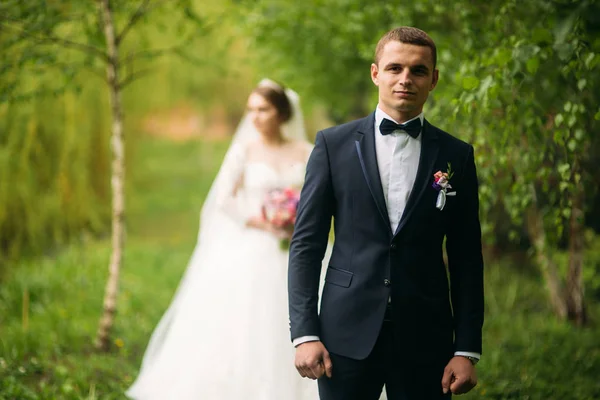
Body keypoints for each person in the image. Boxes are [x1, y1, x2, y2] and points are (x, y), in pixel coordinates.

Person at [288, 26, 484, 400]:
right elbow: (306, 246)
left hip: (427, 337)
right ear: (376, 73)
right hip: (343, 335)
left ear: (434, 80)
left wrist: (466, 348)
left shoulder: (457, 156)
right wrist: (305, 334)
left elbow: (466, 258)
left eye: (418, 71)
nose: (405, 80)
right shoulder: (333, 145)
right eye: (395, 68)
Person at [126, 79, 319, 400]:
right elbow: (224, 200)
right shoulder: (244, 150)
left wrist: (297, 221)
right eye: (251, 109)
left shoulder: (306, 151)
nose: (255, 116)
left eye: (263, 109)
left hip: (295, 244)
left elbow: (315, 198)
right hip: (254, 244)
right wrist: (262, 221)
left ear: (282, 112)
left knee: (298, 308)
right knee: (247, 320)